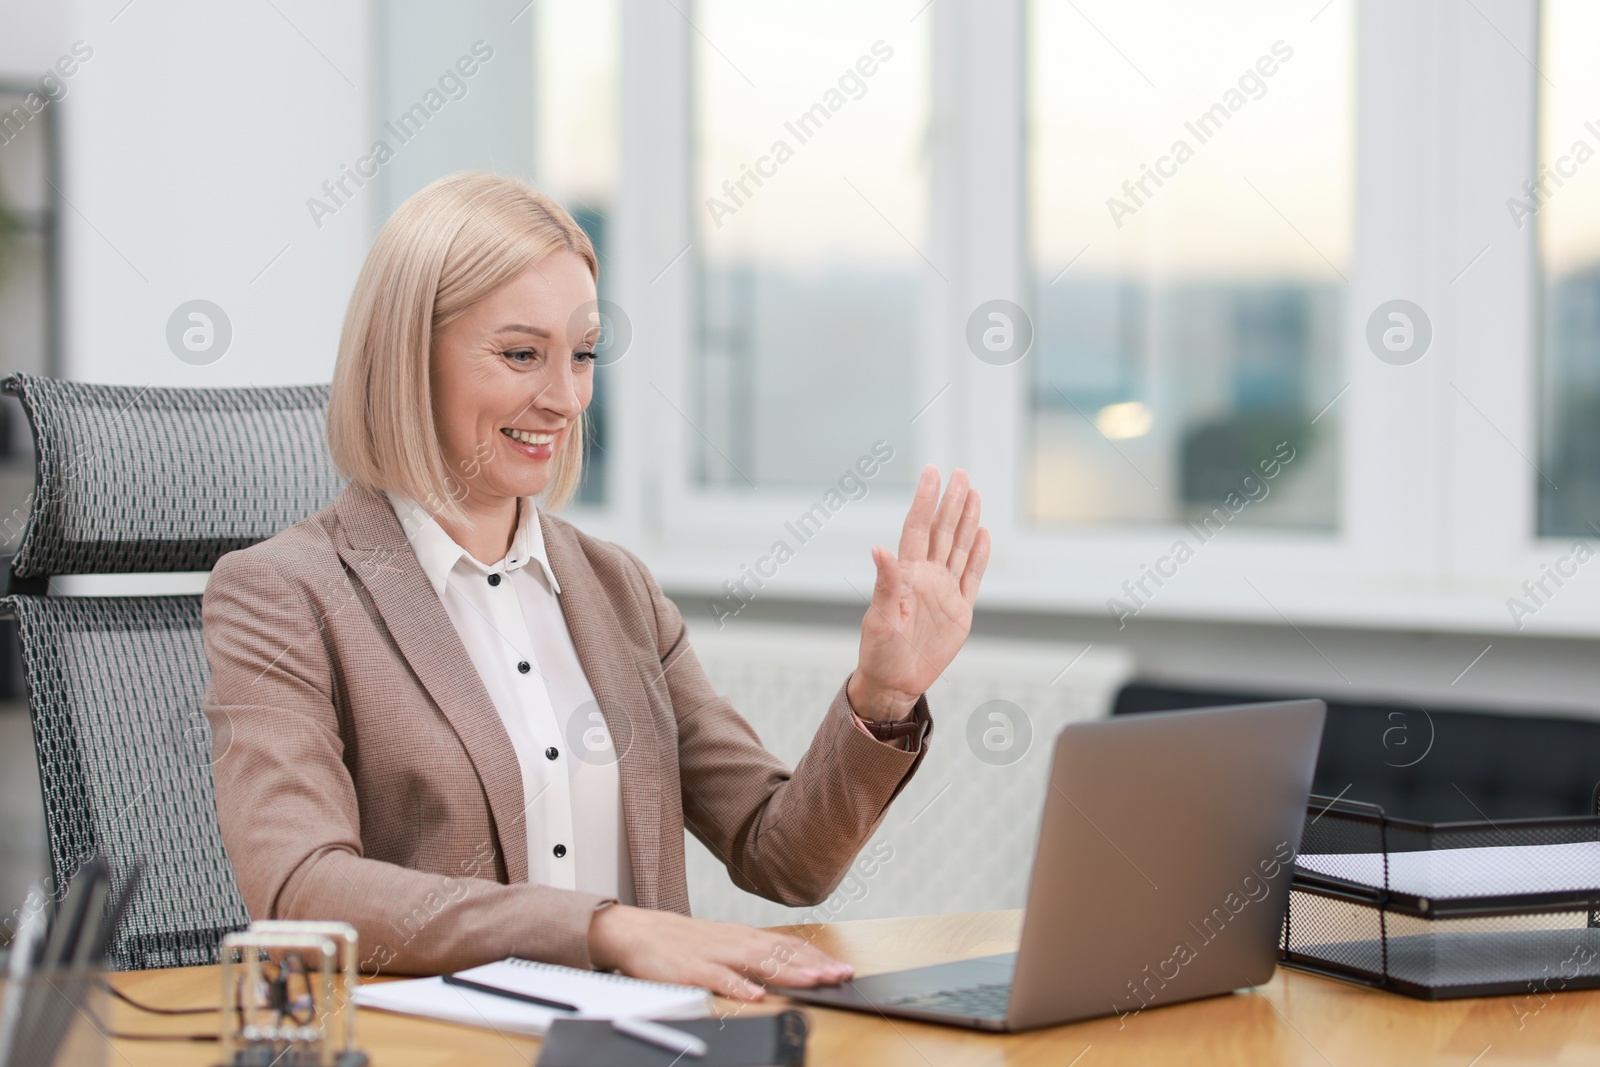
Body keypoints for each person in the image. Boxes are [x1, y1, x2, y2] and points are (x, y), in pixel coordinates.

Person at [202, 172, 990, 1001]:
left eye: (581, 356)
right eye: (520, 354)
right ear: (407, 353)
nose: (566, 397)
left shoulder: (616, 589)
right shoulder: (282, 594)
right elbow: (302, 890)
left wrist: (884, 693)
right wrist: (604, 930)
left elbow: (781, 855)